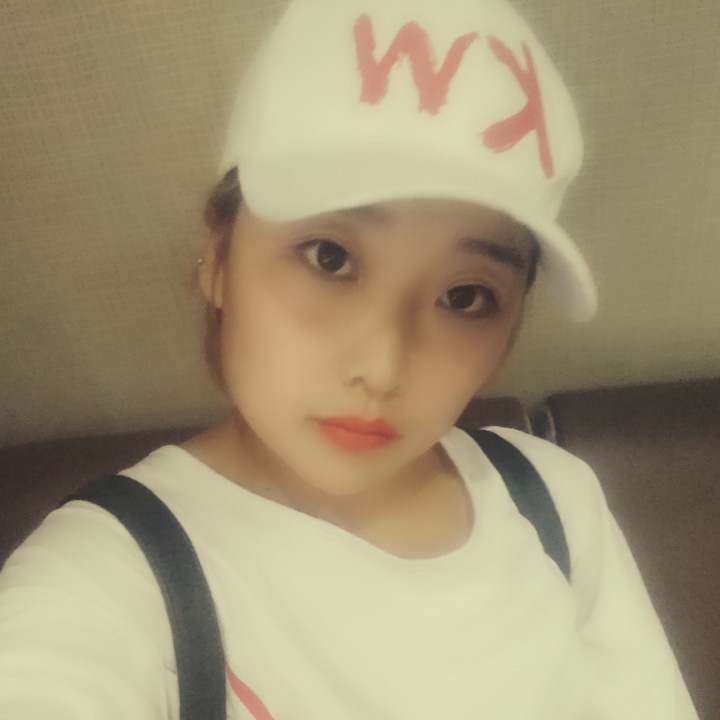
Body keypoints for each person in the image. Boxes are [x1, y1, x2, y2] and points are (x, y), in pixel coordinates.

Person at [0, 0, 699, 717]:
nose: (383, 368)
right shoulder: (113, 573)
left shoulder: (554, 497)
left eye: (465, 296)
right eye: (329, 257)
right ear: (218, 257)